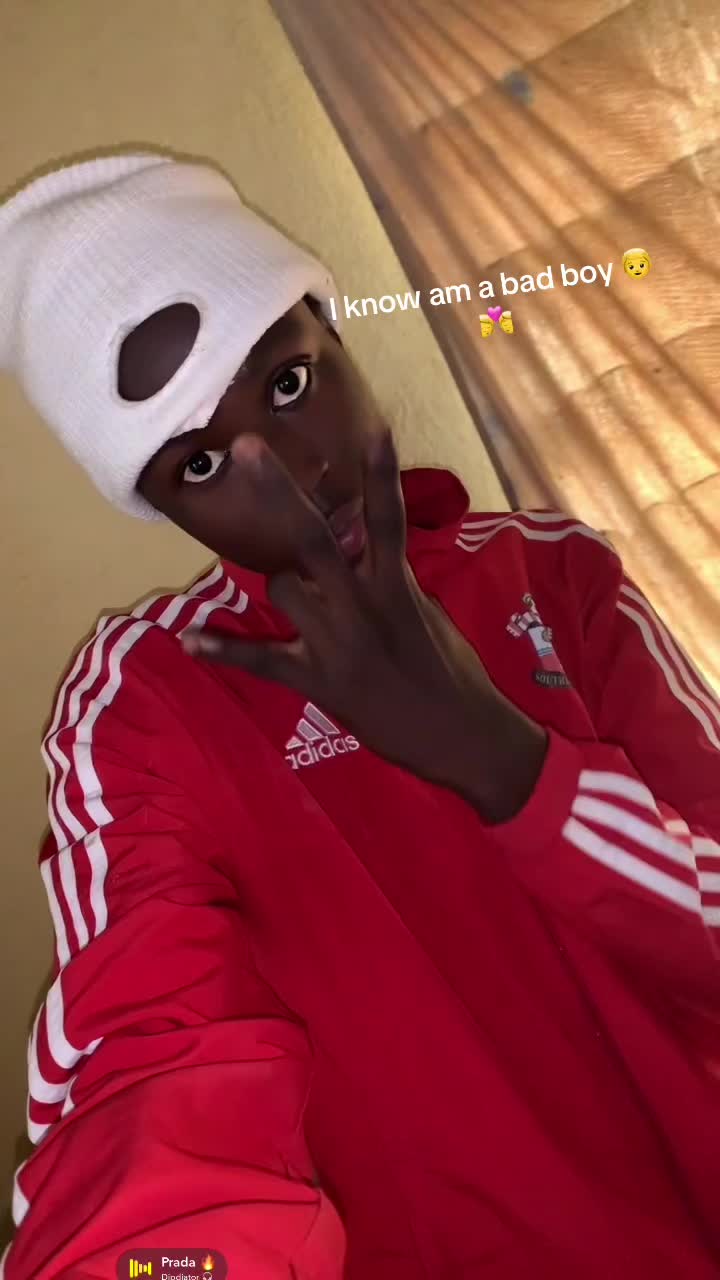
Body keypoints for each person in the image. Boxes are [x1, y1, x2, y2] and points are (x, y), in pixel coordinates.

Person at [0, 151, 719, 1280]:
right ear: (165, 506)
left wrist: (504, 761)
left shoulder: (554, 576)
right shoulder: (149, 699)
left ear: (333, 331)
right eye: (201, 461)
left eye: (289, 382)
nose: (294, 477)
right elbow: (145, 1060)